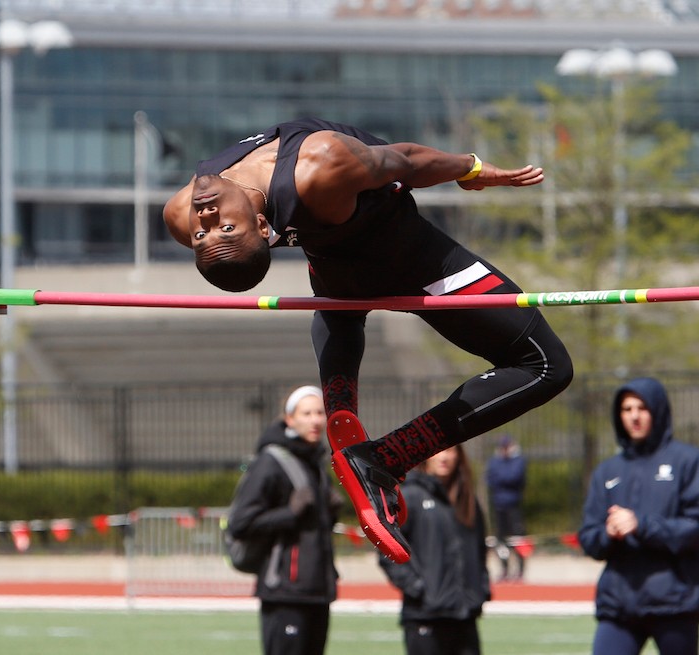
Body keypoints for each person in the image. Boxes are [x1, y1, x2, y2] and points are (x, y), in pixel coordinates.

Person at [163, 118, 573, 563]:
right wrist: (470, 168)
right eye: (218, 230)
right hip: (415, 264)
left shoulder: (179, 212)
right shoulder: (320, 165)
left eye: (209, 232)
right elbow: (410, 161)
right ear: (263, 225)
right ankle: (385, 458)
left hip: (338, 281)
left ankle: (345, 420)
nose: (205, 219)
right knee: (547, 366)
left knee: (340, 303)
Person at [577, 377, 699, 655]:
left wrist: (641, 525)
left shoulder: (688, 461)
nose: (634, 416)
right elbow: (589, 536)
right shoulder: (607, 471)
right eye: (627, 409)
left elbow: (698, 526)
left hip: (675, 603)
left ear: (658, 410)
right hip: (619, 604)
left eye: (642, 408)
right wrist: (608, 534)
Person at [225, 385, 341, 655]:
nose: (315, 420)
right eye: (307, 413)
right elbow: (240, 523)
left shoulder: (316, 462)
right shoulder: (271, 461)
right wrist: (290, 513)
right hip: (285, 593)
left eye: (320, 413)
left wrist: (329, 512)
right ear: (290, 419)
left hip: (317, 590)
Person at [378, 445, 491, 655]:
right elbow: (388, 550)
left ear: (459, 455)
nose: (444, 457)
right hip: (425, 616)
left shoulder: (467, 499)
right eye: (438, 451)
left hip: (464, 615)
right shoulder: (409, 496)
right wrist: (419, 588)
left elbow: (479, 551)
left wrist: (480, 589)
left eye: (451, 450)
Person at [485, 434, 528, 581]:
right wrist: (504, 477)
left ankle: (521, 570)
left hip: (514, 506)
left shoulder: (518, 460)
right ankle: (504, 569)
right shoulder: (495, 461)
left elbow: (514, 477)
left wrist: (502, 477)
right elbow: (490, 479)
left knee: (518, 538)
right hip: (498, 506)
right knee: (500, 540)